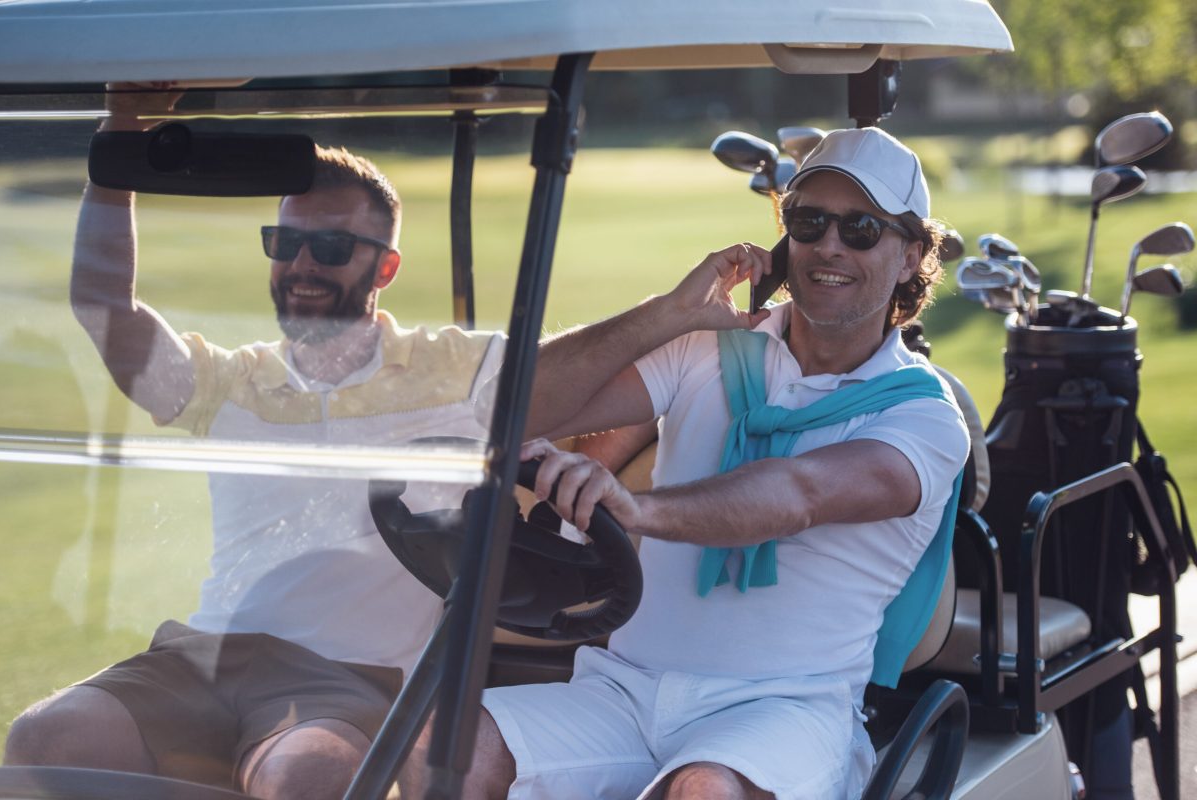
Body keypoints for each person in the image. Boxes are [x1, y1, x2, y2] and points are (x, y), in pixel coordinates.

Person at [401, 126, 971, 800]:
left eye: (862, 229)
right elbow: (512, 413)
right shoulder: (709, 347)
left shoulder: (924, 416)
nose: (828, 246)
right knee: (448, 747)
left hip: (784, 711)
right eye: (808, 221)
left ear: (910, 255)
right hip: (622, 693)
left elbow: (799, 493)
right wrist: (665, 315)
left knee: (703, 790)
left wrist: (637, 508)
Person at [2, 85, 503, 799]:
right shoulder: (232, 383)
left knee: (311, 774)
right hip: (205, 660)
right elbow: (105, 309)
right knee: (48, 738)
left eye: (330, 248)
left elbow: (586, 381)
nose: (301, 266)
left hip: (347, 674)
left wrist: (672, 321)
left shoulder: (456, 373)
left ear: (384, 268)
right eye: (285, 243)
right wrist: (125, 126)